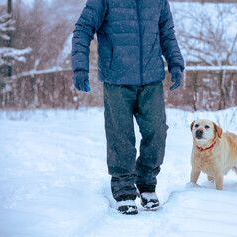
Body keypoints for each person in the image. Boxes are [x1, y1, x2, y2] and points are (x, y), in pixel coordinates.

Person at [71, 0, 184, 215]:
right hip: (117, 78)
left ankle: (147, 184)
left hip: (151, 78)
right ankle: (124, 191)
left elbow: (167, 33)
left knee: (157, 132)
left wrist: (176, 63)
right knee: (120, 135)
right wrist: (79, 67)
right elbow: (83, 29)